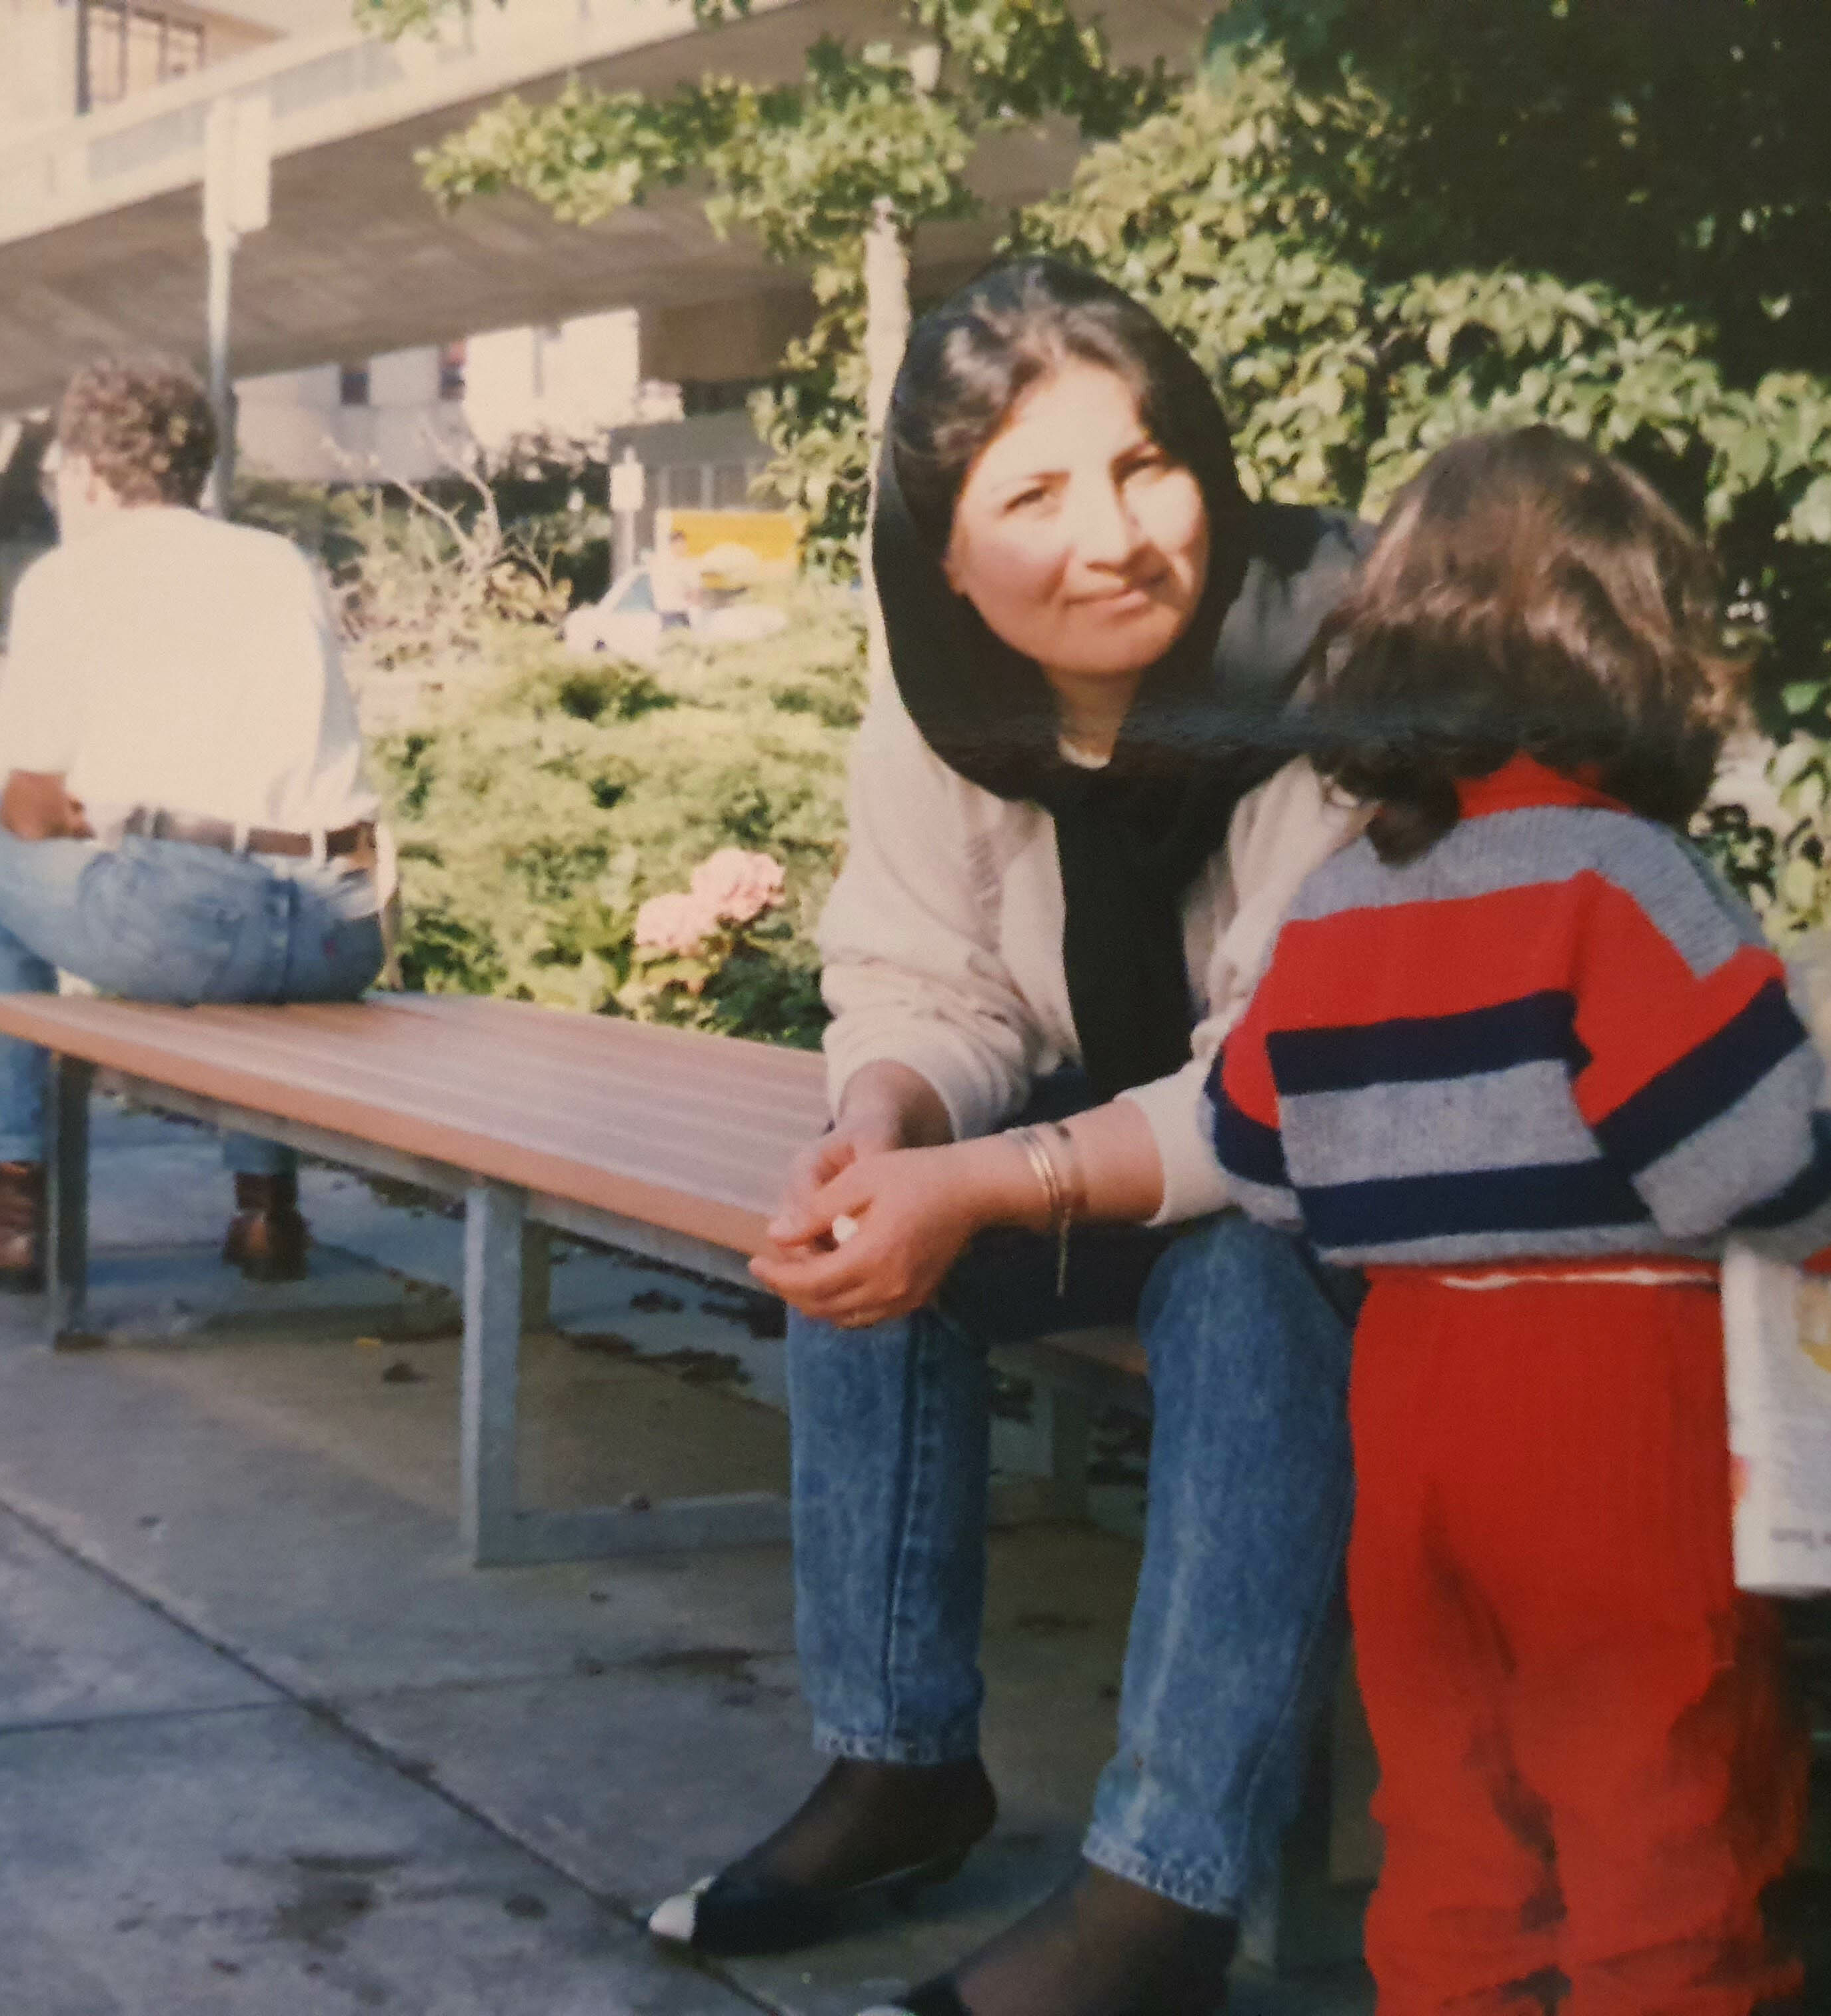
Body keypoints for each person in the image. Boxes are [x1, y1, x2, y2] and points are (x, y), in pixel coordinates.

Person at [645, 259, 1370, 2016]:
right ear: (947, 548)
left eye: (1147, 466)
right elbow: (927, 976)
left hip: (1413, 1181)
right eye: (1033, 496)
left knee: (1245, 1276)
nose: (1112, 537)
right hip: (1153, 1129)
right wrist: (887, 1127)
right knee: (861, 1231)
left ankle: (1165, 1892)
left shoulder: (1337, 665)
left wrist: (979, 1179)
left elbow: (1297, 1098)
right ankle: (899, 1766)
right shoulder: (948, 685)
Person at [1206, 427, 1831, 2016]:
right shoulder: (1629, 881)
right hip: (1607, 1400)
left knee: (1453, 1822)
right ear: (1643, 657)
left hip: (1412, 1393)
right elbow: (1736, 1158)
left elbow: (1255, 1153)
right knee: (1655, 1808)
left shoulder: (1339, 903)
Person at [0, 357, 385, 1290]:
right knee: (244, 943)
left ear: (88, 472)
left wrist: (98, 819)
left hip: (197, 922)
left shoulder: (70, 579)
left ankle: (15, 1200)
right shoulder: (281, 560)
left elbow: (26, 808)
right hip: (344, 925)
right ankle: (266, 1210)